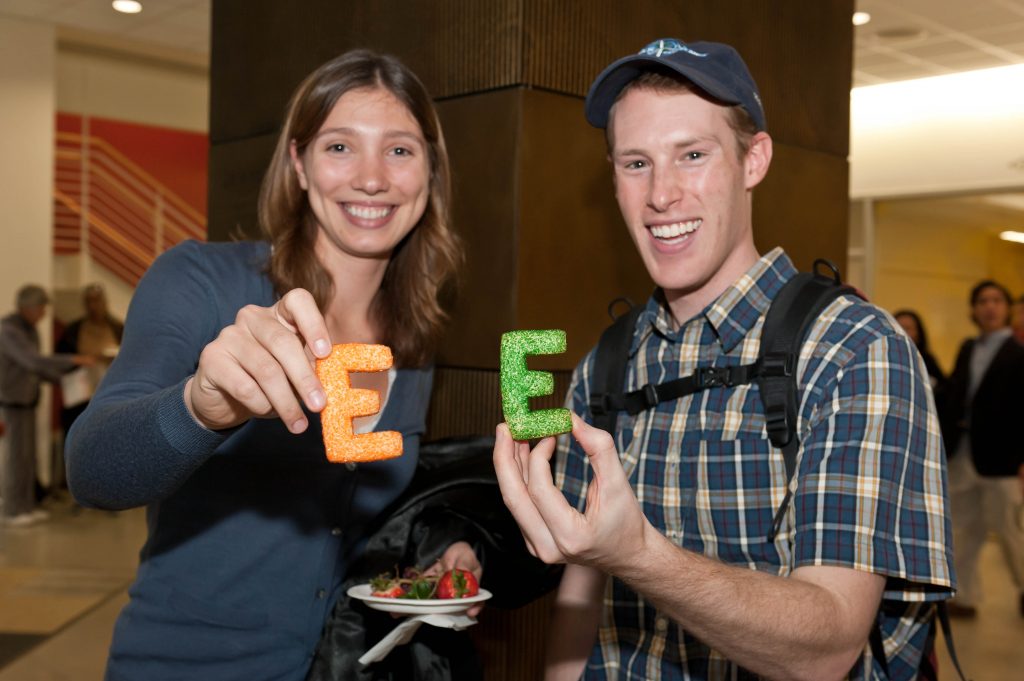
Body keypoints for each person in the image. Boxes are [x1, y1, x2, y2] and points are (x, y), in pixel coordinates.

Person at [493, 38, 954, 680]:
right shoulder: (607, 364)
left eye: (692, 155)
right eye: (635, 163)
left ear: (752, 160)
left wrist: (641, 555)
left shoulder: (855, 349)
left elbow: (828, 648)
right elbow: (582, 595)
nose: (661, 194)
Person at [65, 49, 472, 681]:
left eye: (400, 150)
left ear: (430, 173)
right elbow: (91, 472)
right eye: (340, 147)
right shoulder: (201, 282)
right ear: (299, 165)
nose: (372, 178)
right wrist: (201, 405)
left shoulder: (413, 337)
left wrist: (436, 552)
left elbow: (350, 524)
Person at [940, 280, 1024, 619]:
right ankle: (966, 597)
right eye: (982, 301)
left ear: (1007, 308)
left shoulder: (1018, 354)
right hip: (963, 452)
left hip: (1001, 460)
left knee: (1010, 530)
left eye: (996, 300)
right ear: (973, 309)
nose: (989, 306)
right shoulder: (967, 347)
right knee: (963, 529)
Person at [1, 285, 92, 527]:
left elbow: (38, 369)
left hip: (28, 400)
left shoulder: (29, 330)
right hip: (11, 403)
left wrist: (64, 381)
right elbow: (32, 361)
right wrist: (73, 359)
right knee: (16, 458)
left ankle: (26, 505)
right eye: (41, 308)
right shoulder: (8, 330)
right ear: (28, 307)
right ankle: (12, 509)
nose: (43, 314)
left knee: (29, 458)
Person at [893, 308, 947, 392]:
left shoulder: (928, 361)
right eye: (897, 327)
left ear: (918, 334)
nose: (901, 332)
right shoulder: (882, 359)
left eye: (907, 328)